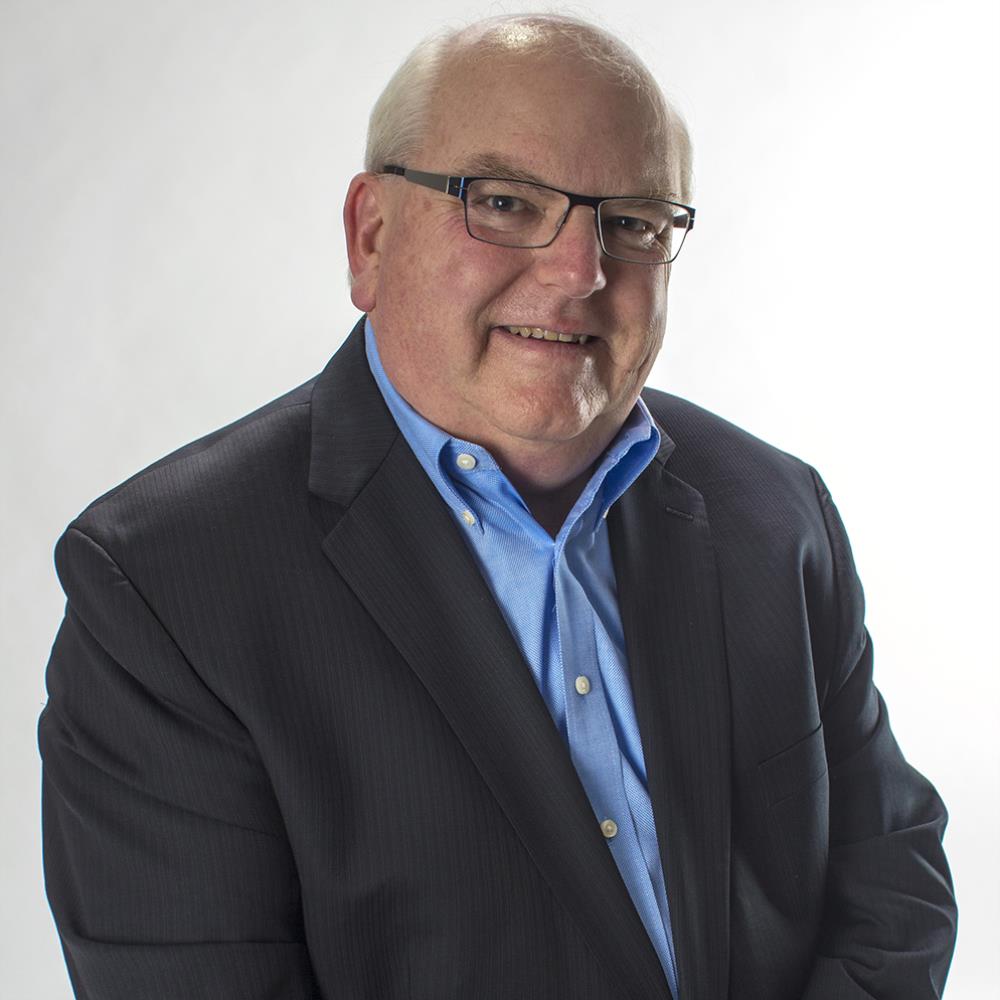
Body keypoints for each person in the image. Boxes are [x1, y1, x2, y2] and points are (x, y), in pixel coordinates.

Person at [38, 13, 957, 1000]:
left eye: (633, 222)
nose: (579, 272)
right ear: (371, 235)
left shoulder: (774, 512)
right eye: (506, 203)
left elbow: (890, 883)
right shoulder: (165, 590)